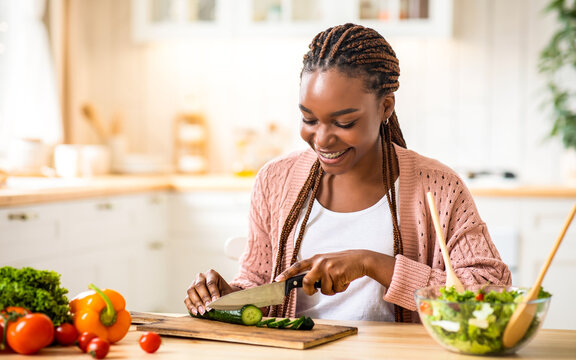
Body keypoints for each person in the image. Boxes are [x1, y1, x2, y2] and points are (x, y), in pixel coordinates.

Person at [185, 23, 511, 323]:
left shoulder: (438, 187)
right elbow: (259, 284)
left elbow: (492, 292)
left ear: (385, 107)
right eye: (309, 119)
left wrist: (372, 263)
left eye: (344, 123)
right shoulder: (275, 180)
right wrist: (228, 298)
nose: (322, 138)